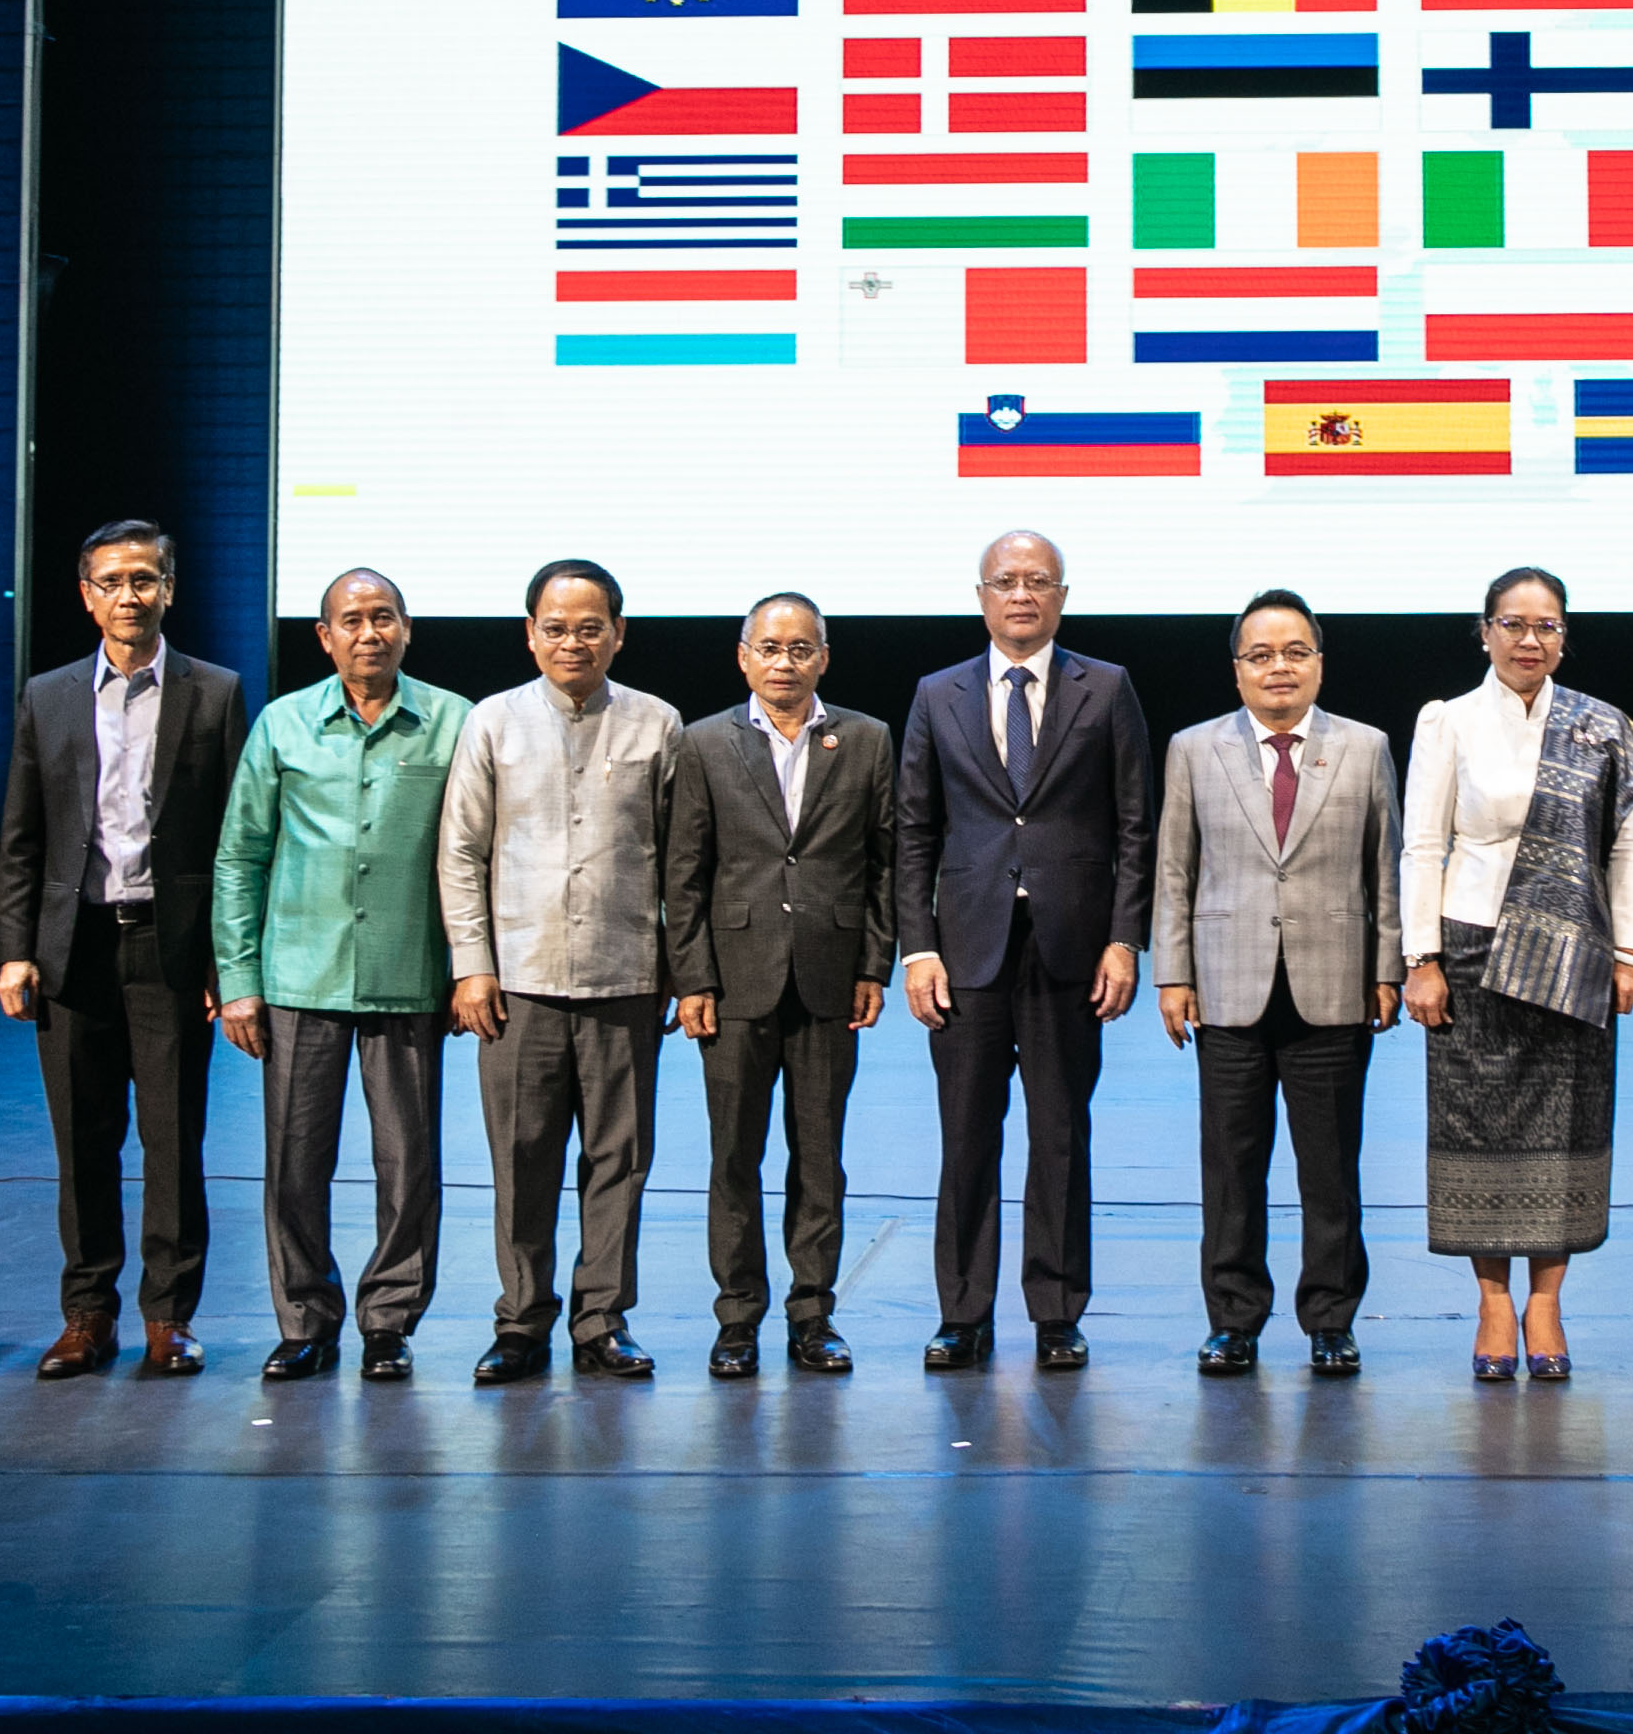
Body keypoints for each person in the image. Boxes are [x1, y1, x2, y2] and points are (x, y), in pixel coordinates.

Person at [894, 529, 1155, 1373]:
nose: (1021, 594)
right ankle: (963, 1314)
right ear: (981, 596)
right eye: (1005, 581)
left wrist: (1124, 938)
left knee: (1061, 1137)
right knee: (966, 1140)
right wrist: (917, 949)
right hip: (965, 953)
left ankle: (1056, 1312)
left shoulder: (1105, 687)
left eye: (1037, 580)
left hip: (1071, 949)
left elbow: (1135, 827)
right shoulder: (937, 693)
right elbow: (913, 832)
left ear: (1061, 598)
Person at [0, 521, 242, 1380]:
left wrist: (224, 958)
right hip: (75, 947)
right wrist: (15, 949)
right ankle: (87, 1313)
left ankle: (169, 1316)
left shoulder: (215, 692)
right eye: (112, 581)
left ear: (170, 589)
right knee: (83, 1142)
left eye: (144, 578)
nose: (129, 595)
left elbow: (233, 841)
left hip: (170, 948)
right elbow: (22, 834)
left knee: (173, 1141)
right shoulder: (48, 695)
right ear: (86, 595)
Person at [216, 569, 472, 1383]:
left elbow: (479, 852)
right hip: (299, 975)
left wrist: (472, 968)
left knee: (409, 1163)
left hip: (409, 971)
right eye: (351, 620)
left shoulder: (454, 722)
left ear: (408, 629)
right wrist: (239, 978)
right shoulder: (283, 723)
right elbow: (240, 856)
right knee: (295, 1164)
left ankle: (389, 1323)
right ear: (324, 637)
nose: (370, 632)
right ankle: (304, 1320)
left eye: (383, 617)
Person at [442, 557, 689, 1384]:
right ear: (530, 635)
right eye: (555, 628)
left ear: (619, 633)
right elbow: (461, 852)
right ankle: (520, 1322)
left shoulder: (658, 723)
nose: (572, 642)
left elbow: (681, 860)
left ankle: (602, 1321)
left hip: (626, 978)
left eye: (590, 628)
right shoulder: (493, 722)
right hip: (518, 983)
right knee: (523, 1161)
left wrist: (677, 968)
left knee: (619, 1160)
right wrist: (472, 967)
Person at [1402, 568, 1633, 1384]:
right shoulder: (1448, 720)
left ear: (1564, 637)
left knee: (1563, 1129)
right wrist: (1421, 958)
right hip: (1472, 948)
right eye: (1513, 624)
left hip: (1576, 951)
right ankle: (1492, 1302)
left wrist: (1629, 954)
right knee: (1477, 1128)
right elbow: (1421, 846)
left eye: (1546, 626)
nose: (1529, 640)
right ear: (1485, 633)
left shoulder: (1598, 726)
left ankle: (1546, 1303)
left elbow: (1625, 848)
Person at [1155, 589, 1404, 1378]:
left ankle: (1331, 1318)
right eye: (1261, 655)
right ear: (1237, 670)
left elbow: (1387, 869)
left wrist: (1388, 968)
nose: (1279, 668)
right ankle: (1234, 1320)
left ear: (1319, 664)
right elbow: (1174, 871)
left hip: (1334, 987)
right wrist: (1173, 974)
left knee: (1330, 1170)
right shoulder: (1194, 749)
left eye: (1295, 652)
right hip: (1227, 988)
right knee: (1232, 1169)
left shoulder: (1364, 747)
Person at [668, 590, 893, 1377]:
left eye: (801, 648)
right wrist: (692, 978)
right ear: (744, 658)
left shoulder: (866, 739)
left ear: (823, 658)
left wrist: (874, 963)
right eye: (770, 647)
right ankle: (737, 1320)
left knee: (820, 1157)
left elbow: (885, 863)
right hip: (734, 984)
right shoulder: (704, 743)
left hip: (831, 978)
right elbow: (684, 873)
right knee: (734, 1158)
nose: (785, 662)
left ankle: (812, 1315)